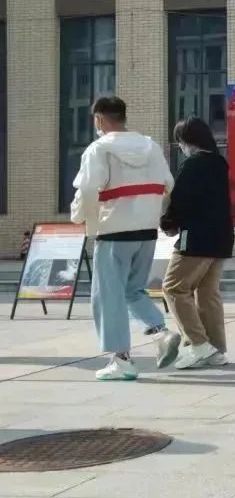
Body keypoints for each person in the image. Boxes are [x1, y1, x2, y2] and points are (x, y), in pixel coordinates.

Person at [70, 97, 178, 381]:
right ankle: (161, 332)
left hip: (113, 231)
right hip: (146, 232)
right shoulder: (151, 147)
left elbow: (88, 189)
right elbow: (168, 184)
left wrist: (80, 216)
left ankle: (121, 360)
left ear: (99, 120)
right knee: (133, 290)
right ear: (123, 116)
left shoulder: (99, 149)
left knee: (108, 296)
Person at [159, 117, 233, 370]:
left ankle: (199, 345)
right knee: (207, 293)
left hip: (197, 237)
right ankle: (216, 350)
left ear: (187, 141)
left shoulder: (192, 165)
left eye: (179, 142)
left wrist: (167, 224)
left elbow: (180, 200)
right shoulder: (219, 163)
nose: (180, 147)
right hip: (221, 237)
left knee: (173, 287)